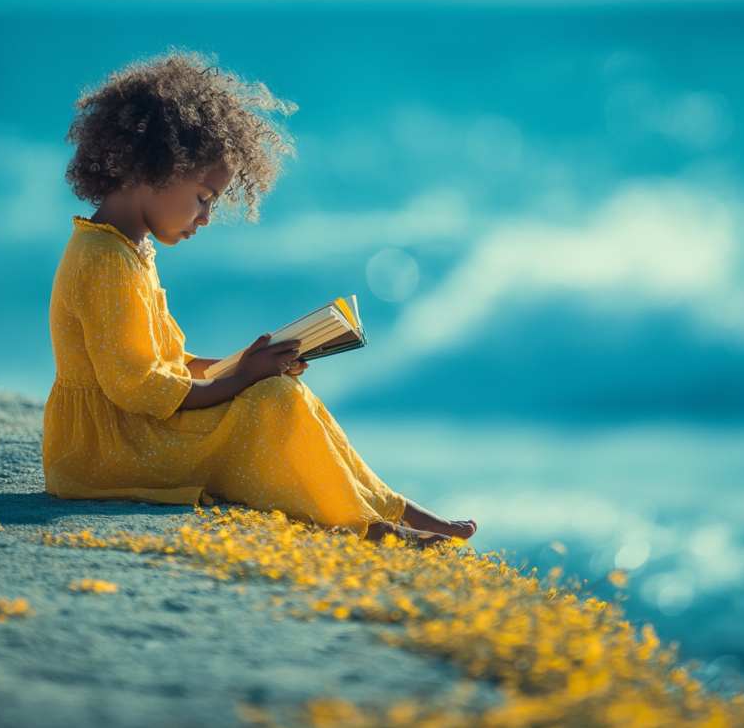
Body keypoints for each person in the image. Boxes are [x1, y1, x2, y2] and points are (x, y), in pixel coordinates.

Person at [41, 48, 475, 547]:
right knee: (270, 403)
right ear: (152, 168)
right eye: (203, 199)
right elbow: (137, 388)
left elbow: (166, 363)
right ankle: (369, 525)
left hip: (133, 433)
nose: (205, 218)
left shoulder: (129, 248)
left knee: (279, 394)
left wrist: (240, 365)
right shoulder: (104, 260)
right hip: (108, 452)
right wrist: (246, 379)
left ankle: (386, 507)